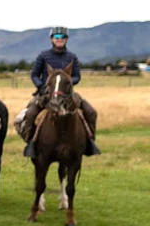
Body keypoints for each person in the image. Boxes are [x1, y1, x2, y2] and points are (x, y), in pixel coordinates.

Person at [22, 27, 100, 157]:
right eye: (57, 37)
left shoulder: (72, 57)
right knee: (30, 114)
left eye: (62, 37)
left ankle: (89, 143)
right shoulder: (43, 55)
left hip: (67, 93)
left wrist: (67, 83)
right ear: (52, 39)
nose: (60, 40)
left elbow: (77, 76)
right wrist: (41, 86)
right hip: (46, 93)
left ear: (66, 39)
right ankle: (31, 144)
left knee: (91, 112)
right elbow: (34, 74)